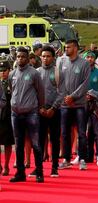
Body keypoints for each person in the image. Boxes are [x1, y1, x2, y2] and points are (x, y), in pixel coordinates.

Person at [8, 46, 45, 183]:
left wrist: (40, 107)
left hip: (31, 113)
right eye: (18, 57)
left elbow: (40, 92)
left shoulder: (34, 73)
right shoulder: (12, 74)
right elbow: (12, 90)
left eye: (23, 57)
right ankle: (20, 173)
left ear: (28, 59)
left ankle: (39, 172)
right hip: (15, 114)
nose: (20, 59)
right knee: (18, 144)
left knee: (35, 143)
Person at [58, 40, 90, 170]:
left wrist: (73, 96)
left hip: (79, 105)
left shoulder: (84, 63)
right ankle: (66, 159)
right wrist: (66, 97)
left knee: (82, 133)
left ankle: (82, 158)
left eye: (69, 47)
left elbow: (85, 83)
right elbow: (59, 81)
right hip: (65, 105)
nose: (66, 49)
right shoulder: (62, 62)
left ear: (76, 48)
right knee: (65, 133)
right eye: (65, 47)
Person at [36, 46, 63, 178]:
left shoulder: (58, 72)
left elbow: (62, 92)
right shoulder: (36, 72)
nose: (45, 58)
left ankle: (54, 167)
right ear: (40, 57)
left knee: (55, 139)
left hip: (55, 111)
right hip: (39, 112)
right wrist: (40, 108)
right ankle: (38, 167)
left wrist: (53, 108)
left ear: (53, 58)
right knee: (39, 140)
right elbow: (33, 92)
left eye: (48, 56)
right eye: (43, 56)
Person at [0, 59, 14, 177]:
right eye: (0, 71)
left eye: (5, 70)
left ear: (9, 71)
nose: (2, 73)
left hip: (9, 116)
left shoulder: (12, 82)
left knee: (7, 143)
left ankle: (6, 166)